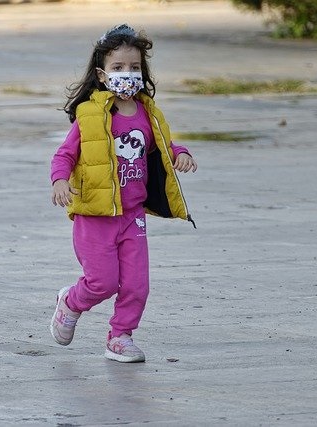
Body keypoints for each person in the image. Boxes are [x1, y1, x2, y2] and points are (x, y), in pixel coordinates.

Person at [49, 24, 197, 363]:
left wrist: (181, 153)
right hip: (95, 217)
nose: (127, 74)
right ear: (102, 75)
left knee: (136, 285)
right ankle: (70, 303)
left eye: (134, 67)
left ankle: (120, 336)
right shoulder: (89, 115)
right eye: (118, 68)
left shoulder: (148, 113)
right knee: (102, 283)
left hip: (132, 216)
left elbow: (162, 145)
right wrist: (59, 180)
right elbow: (65, 154)